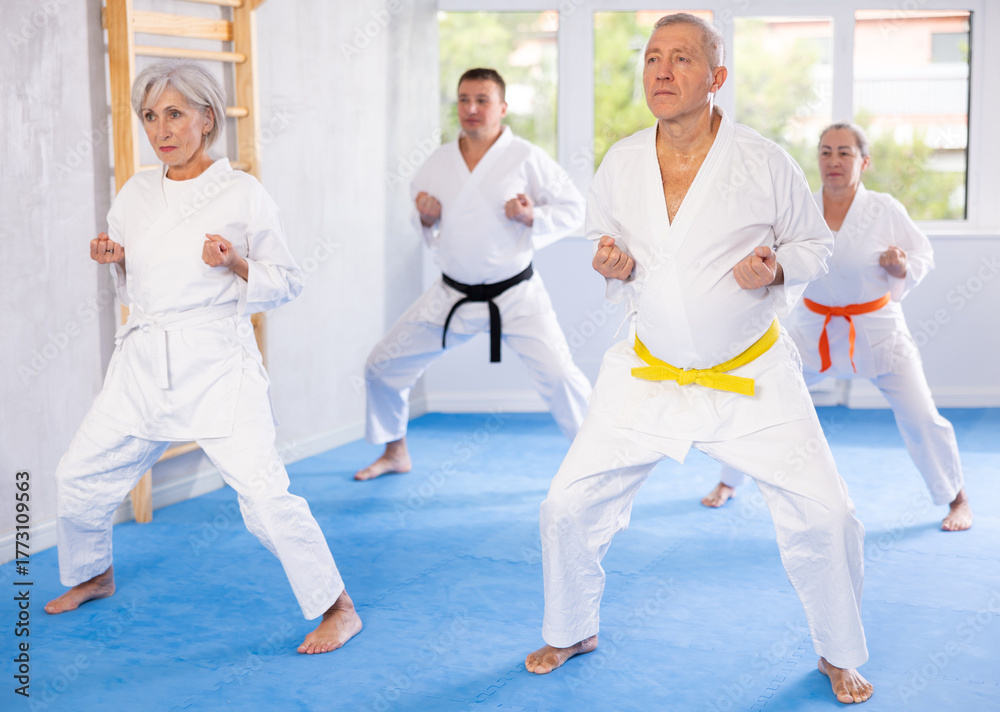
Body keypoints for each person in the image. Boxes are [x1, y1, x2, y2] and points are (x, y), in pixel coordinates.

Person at [524, 15, 874, 704]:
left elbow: (812, 246)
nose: (661, 70)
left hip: (751, 376)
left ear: (716, 78)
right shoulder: (622, 160)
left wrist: (774, 271)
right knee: (565, 503)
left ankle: (840, 651)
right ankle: (571, 628)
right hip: (646, 372)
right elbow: (606, 242)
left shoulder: (763, 160)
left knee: (829, 516)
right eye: (652, 57)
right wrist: (611, 261)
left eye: (681, 58)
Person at [44, 60, 361, 655]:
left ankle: (338, 608)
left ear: (207, 118)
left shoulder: (242, 191)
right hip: (143, 358)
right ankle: (93, 572)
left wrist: (236, 264)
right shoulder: (135, 192)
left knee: (264, 496)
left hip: (217, 361)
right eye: (149, 117)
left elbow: (289, 280)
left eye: (174, 114)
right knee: (78, 474)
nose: (161, 129)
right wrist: (113, 257)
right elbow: (138, 280)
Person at [701, 123, 972, 532]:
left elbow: (922, 256)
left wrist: (901, 267)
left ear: (864, 161)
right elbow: (774, 262)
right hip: (814, 329)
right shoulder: (801, 209)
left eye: (845, 153)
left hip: (878, 329)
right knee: (759, 397)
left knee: (921, 417)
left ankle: (957, 498)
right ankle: (728, 479)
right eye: (826, 151)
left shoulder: (884, 209)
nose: (834, 161)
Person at [355, 68, 592, 481]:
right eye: (464, 99)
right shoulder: (439, 161)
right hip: (452, 294)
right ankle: (396, 452)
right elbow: (425, 221)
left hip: (516, 296)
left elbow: (574, 209)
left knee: (561, 378)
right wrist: (426, 219)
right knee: (382, 365)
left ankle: (600, 463)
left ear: (502, 107)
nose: (471, 108)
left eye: (482, 100)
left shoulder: (526, 157)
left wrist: (532, 214)